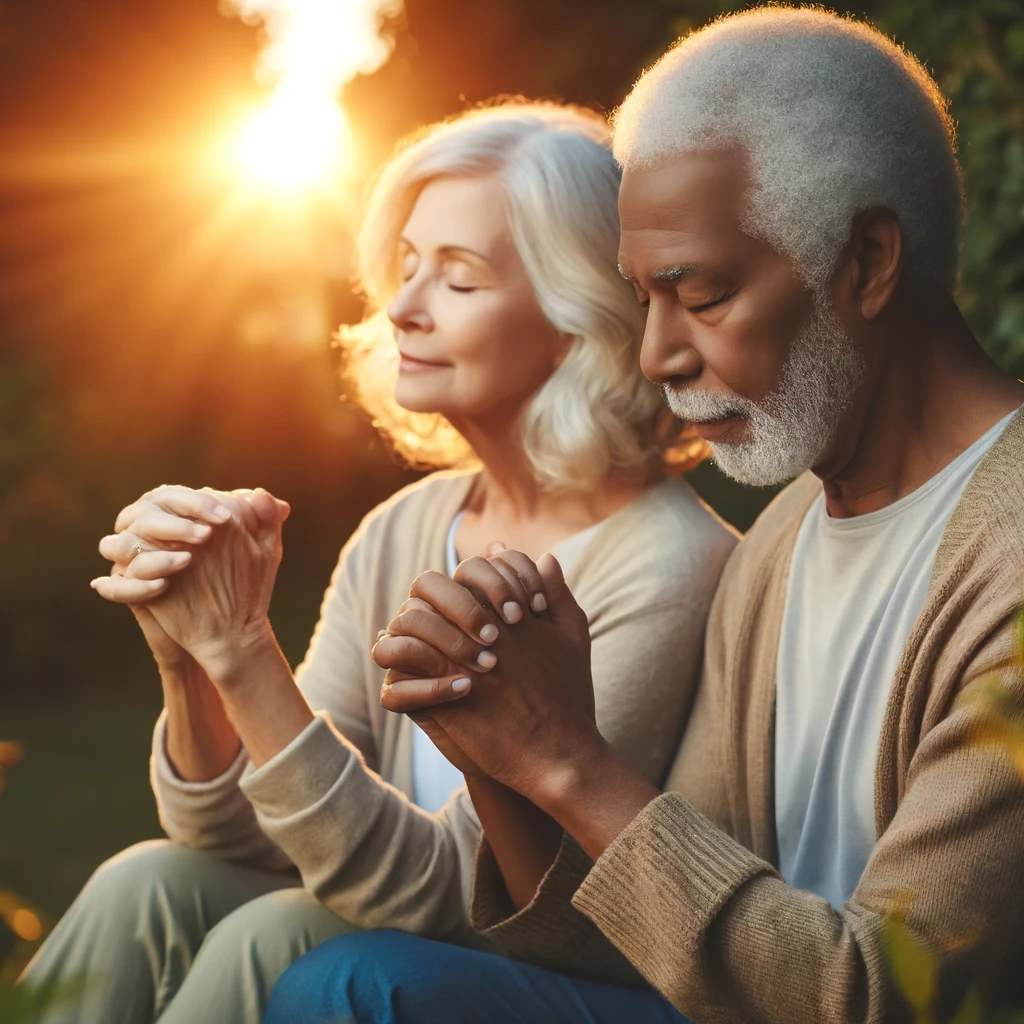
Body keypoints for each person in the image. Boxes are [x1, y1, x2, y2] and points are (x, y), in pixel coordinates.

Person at [266, 8, 1024, 1024]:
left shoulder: (1006, 560)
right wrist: (501, 750)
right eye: (639, 296)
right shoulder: (785, 542)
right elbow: (640, 931)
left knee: (348, 985)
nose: (655, 353)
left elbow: (881, 993)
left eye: (698, 295)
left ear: (866, 262)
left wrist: (570, 761)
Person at [19, 101, 736, 1024]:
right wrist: (187, 651)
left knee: (271, 935)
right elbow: (230, 832)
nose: (401, 306)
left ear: (574, 318)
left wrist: (244, 650)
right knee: (146, 882)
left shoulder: (665, 564)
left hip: (548, 971)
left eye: (458, 279)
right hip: (403, 917)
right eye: (405, 267)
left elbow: (454, 899)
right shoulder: (410, 525)